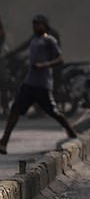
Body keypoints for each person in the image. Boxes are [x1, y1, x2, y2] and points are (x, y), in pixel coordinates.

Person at [0, 15, 77, 154]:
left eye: (38, 24)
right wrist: (13, 54)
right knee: (15, 110)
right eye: (34, 24)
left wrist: (44, 65)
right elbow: (24, 46)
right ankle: (4, 141)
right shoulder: (34, 39)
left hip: (43, 83)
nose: (35, 27)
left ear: (44, 25)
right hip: (29, 82)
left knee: (53, 111)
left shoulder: (50, 40)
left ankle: (71, 131)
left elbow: (59, 59)